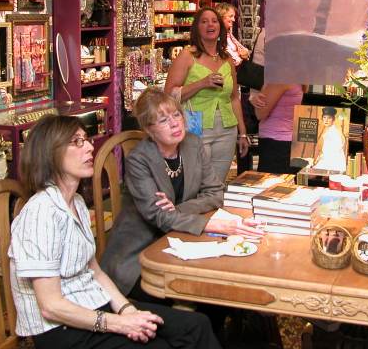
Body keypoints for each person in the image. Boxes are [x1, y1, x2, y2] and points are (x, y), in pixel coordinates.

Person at [8, 114, 224, 349]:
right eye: (77, 142)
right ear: (50, 154)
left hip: (93, 305)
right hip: (62, 331)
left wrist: (125, 310)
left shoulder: (76, 202)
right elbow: (51, 307)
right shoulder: (40, 214)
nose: (90, 147)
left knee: (195, 326)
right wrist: (120, 324)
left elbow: (95, 272)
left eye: (86, 139)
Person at [102, 88, 263, 299]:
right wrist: (210, 224)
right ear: (149, 130)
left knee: (231, 281)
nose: (174, 123)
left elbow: (215, 192)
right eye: (162, 120)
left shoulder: (192, 144)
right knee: (209, 292)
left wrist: (177, 209)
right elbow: (158, 216)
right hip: (139, 254)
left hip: (181, 239)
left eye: (176, 115)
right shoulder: (138, 160)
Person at [165, 7, 249, 182]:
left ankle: (214, 209)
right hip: (197, 128)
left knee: (217, 183)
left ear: (220, 27)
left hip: (227, 130)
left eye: (214, 20)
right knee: (198, 182)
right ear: (197, 28)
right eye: (204, 21)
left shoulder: (227, 60)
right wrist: (202, 83)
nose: (210, 24)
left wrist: (242, 133)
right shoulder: (187, 55)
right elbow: (169, 95)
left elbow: (234, 98)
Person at [313, 106, 347, 172]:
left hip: (333, 162)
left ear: (333, 119)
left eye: (329, 118)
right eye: (324, 117)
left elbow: (336, 151)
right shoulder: (328, 130)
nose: (326, 120)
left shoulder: (334, 132)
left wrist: (319, 159)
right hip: (328, 159)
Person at [215, 2, 250, 67]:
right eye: (231, 16)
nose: (233, 20)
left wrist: (245, 53)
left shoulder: (228, 33)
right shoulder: (216, 36)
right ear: (220, 17)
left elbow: (243, 50)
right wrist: (241, 56)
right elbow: (231, 60)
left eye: (234, 16)